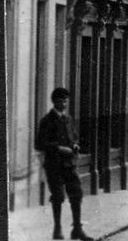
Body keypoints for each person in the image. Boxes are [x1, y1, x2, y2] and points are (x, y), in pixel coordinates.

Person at [35, 87, 90, 240]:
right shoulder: (47, 121)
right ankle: (57, 229)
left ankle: (77, 229)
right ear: (54, 102)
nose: (63, 104)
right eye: (60, 101)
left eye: (65, 101)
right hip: (54, 165)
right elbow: (39, 144)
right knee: (58, 196)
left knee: (77, 194)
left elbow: (74, 137)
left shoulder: (69, 119)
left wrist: (75, 145)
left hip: (69, 165)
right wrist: (60, 148)